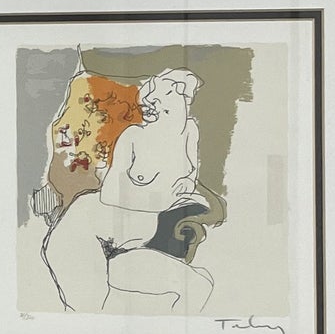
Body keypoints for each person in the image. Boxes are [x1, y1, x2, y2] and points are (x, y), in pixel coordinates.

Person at [42, 68, 213, 312]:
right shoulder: (133, 136)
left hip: (134, 235)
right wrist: (162, 201)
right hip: (89, 224)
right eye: (172, 101)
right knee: (86, 301)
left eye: (185, 100)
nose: (183, 106)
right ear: (156, 102)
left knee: (198, 286)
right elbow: (110, 193)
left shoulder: (190, 131)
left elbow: (190, 175)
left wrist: (187, 184)